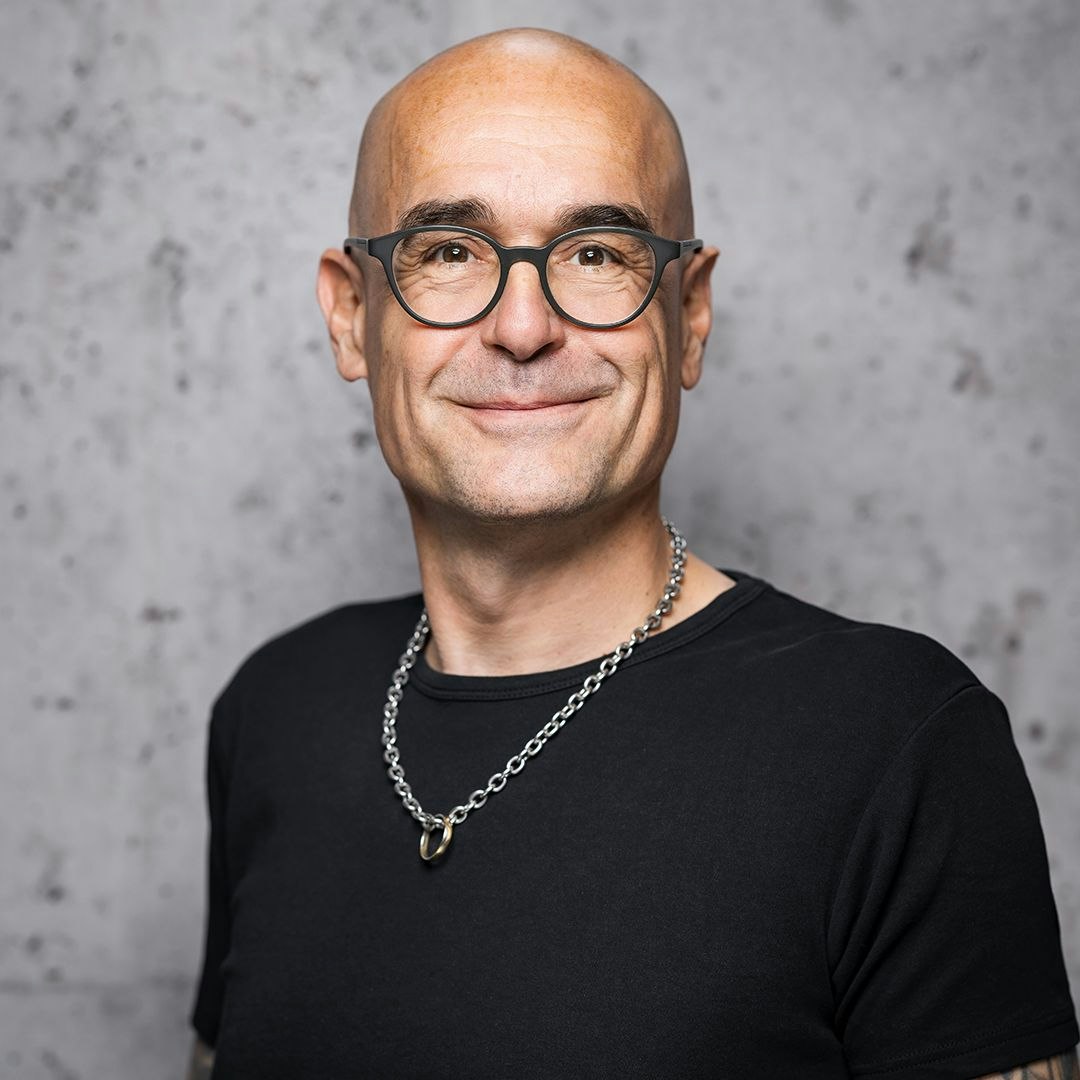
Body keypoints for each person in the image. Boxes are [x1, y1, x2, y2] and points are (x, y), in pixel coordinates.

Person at [186, 28, 1078, 1080]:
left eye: (598, 253)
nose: (523, 328)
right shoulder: (276, 707)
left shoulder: (897, 741)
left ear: (688, 316)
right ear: (351, 315)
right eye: (451, 251)